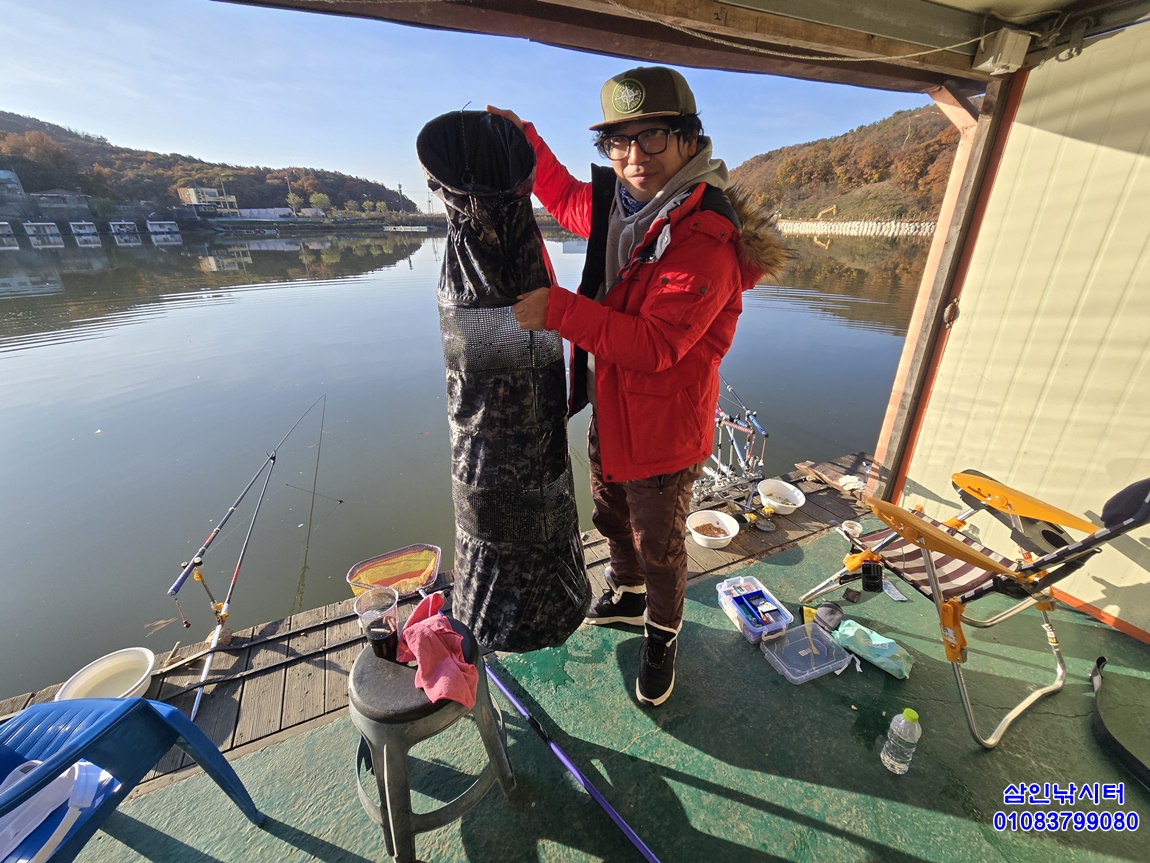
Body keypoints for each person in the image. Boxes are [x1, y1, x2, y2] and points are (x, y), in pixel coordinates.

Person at [488, 65, 787, 707]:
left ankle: (661, 634)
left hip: (664, 425)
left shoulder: (705, 234)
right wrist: (526, 142)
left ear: (687, 139)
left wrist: (559, 310)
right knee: (608, 513)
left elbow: (656, 346)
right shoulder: (622, 205)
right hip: (612, 408)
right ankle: (624, 593)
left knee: (662, 542)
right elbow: (566, 197)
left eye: (651, 138)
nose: (633, 158)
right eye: (617, 143)